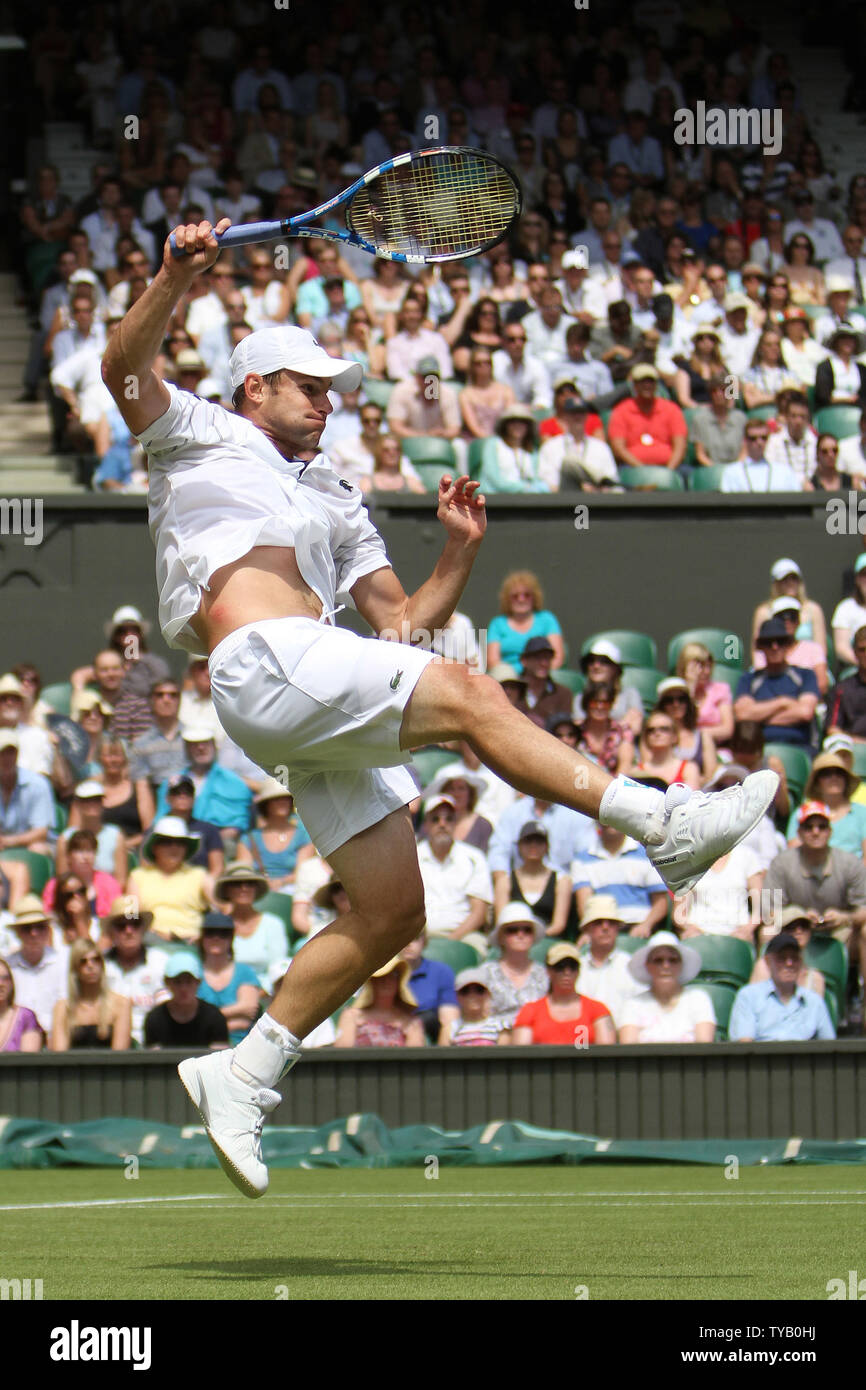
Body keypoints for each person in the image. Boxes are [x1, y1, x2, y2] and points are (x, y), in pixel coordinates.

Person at [102, 218, 775, 1196]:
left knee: (392, 908)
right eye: (307, 386)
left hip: (313, 676)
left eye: (334, 389)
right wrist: (169, 276)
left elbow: (402, 626)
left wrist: (458, 551)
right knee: (468, 697)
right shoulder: (196, 430)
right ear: (254, 388)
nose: (327, 402)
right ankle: (657, 818)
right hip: (259, 662)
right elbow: (125, 368)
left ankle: (242, 1073)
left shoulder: (334, 492)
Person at [415, 794, 493, 949]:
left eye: (449, 819)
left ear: (455, 823)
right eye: (435, 819)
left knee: (478, 947)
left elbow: (479, 913)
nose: (442, 824)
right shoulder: (412, 857)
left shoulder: (474, 858)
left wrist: (451, 941)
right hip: (419, 936)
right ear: (425, 825)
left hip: (464, 935)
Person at [728, 932, 835, 1041]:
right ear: (768, 961)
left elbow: (829, 1046)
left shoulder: (814, 1001)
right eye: (781, 958)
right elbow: (744, 1044)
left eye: (794, 958)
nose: (789, 963)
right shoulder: (749, 996)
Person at [734, 619, 819, 749]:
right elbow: (743, 715)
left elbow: (805, 712)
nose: (775, 647)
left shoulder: (806, 675)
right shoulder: (749, 679)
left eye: (780, 641)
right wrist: (783, 702)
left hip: (800, 747)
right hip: (759, 750)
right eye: (768, 643)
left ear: (788, 644)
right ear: (760, 646)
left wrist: (759, 718)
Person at [572, 821, 669, 936]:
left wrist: (646, 925)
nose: (610, 822)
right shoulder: (582, 860)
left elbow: (661, 903)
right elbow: (584, 905)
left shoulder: (648, 854)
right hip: (602, 930)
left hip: (640, 930)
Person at [618, 931, 717, 1043]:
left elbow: (704, 1046)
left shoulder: (698, 999)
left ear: (681, 965)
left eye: (673, 960)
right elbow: (628, 1051)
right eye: (658, 960)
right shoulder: (633, 1004)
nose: (666, 966)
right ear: (647, 966)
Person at [128, 815, 211, 945]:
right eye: (167, 842)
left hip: (190, 942)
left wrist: (205, 934)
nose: (174, 848)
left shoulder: (200, 875)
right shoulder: (137, 876)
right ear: (155, 847)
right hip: (151, 941)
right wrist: (153, 933)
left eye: (180, 843)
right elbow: (130, 915)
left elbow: (222, 906)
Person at [512, 941, 616, 1045]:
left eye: (572, 967)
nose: (567, 973)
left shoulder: (598, 1010)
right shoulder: (530, 1011)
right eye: (560, 967)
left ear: (578, 971)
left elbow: (607, 1052)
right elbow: (521, 1054)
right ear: (549, 971)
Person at [102, 895, 168, 1047]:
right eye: (121, 925)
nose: (129, 931)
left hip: (154, 1043)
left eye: (135, 924)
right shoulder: (100, 964)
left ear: (143, 929)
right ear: (111, 931)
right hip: (109, 1043)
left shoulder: (160, 961)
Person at [212, 862, 289, 988]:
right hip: (226, 990)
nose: (244, 888)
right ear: (226, 889)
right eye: (237, 884)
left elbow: (278, 966)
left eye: (250, 884)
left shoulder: (273, 923)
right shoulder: (217, 926)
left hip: (267, 992)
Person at [492, 819, 573, 938]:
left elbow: (558, 924)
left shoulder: (561, 880)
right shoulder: (505, 881)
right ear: (519, 846)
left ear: (546, 847)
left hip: (549, 940)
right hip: (514, 939)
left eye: (539, 841)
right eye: (528, 841)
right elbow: (501, 921)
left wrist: (534, 938)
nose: (533, 845)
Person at [574, 895, 644, 1027]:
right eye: (598, 922)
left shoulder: (632, 966)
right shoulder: (575, 967)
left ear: (618, 928)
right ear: (587, 929)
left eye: (611, 923)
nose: (605, 927)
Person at [50, 939, 131, 1050]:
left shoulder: (121, 1004)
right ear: (75, 969)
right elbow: (59, 1055)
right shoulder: (63, 1008)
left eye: (96, 960)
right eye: (83, 961)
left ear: (102, 964)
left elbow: (119, 1054)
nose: (90, 966)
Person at [478, 903, 550, 1028]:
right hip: (496, 1038)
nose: (520, 935)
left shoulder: (544, 974)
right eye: (512, 930)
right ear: (501, 937)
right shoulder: (485, 973)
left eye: (527, 930)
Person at [607, 364, 688, 475]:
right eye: (642, 382)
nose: (647, 385)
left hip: (669, 467)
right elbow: (618, 449)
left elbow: (680, 446)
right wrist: (642, 471)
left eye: (651, 382)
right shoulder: (621, 411)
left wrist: (669, 471)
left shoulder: (671, 409)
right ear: (634, 385)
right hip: (632, 468)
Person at [234, 778, 313, 891]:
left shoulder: (303, 836)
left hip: (294, 890)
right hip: (257, 890)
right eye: (276, 799)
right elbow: (243, 873)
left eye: (286, 798)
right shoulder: (248, 839)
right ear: (266, 804)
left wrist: (281, 882)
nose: (283, 802)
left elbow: (303, 872)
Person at [196, 910, 262, 1046]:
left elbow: (249, 1010)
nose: (216, 938)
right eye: (210, 933)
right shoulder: (193, 973)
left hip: (240, 1046)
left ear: (231, 938)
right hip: (200, 1047)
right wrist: (236, 1012)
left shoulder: (245, 972)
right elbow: (192, 1020)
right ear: (202, 937)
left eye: (223, 933)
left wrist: (206, 1022)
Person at [5, 895, 66, 1035]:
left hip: (54, 1038)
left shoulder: (61, 962)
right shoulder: (7, 967)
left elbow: (65, 1005)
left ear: (48, 930)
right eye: (27, 928)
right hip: (17, 1040)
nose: (34, 933)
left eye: (40, 927)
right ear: (17, 933)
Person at [335, 956, 426, 1047]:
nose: (386, 981)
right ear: (371, 982)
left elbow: (415, 1057)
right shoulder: (352, 1016)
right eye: (382, 976)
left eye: (393, 975)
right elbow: (342, 1054)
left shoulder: (411, 1022)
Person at [144, 952, 229, 1048]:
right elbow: (153, 1058)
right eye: (177, 982)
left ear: (198, 982)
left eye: (189, 982)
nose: (183, 988)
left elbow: (219, 1058)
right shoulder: (155, 1018)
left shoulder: (215, 1017)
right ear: (167, 983)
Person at [485, 569, 565, 670]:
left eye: (527, 595)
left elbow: (557, 657)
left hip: (541, 675)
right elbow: (492, 661)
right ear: (507, 599)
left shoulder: (547, 619)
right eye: (515, 596)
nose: (521, 599)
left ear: (534, 597)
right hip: (509, 681)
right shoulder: (497, 624)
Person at [787, 754, 866, 856]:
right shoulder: (801, 813)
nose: (834, 777)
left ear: (846, 779)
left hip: (853, 870)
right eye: (826, 774)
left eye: (839, 773)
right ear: (816, 782)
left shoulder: (862, 813)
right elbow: (794, 853)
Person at [751, 557, 827, 658]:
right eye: (784, 579)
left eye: (794, 578)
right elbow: (757, 651)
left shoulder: (813, 609)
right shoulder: (763, 612)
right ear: (776, 584)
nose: (790, 583)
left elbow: (821, 650)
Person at [399, 928, 458, 1046]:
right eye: (403, 937)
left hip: (430, 1034)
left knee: (429, 1017)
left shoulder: (441, 972)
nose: (408, 943)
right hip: (392, 1033)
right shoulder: (383, 974)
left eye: (414, 938)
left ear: (424, 942)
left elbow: (449, 1020)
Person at [0, 730, 55, 856]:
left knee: (37, 848)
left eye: (10, 753)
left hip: (32, 843)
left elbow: (41, 832)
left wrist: (8, 841)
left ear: (17, 754)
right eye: (2, 753)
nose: (6, 758)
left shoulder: (37, 784)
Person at [573, 641, 644, 737]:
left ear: (616, 668)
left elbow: (635, 727)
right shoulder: (580, 698)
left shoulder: (630, 694)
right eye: (591, 661)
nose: (596, 666)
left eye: (604, 661)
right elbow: (579, 729)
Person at [749, 906, 826, 996]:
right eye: (791, 927)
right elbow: (753, 1004)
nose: (798, 931)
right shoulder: (764, 968)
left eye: (804, 926)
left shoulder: (816, 979)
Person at [654, 678, 718, 781]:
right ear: (662, 705)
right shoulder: (653, 733)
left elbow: (711, 776)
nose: (676, 704)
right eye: (669, 700)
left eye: (681, 699)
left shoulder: (703, 736)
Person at [419, 767, 493, 853]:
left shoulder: (483, 826)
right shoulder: (431, 821)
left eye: (461, 788)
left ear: (471, 793)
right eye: (451, 789)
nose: (456, 794)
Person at [676, 643, 734, 748]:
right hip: (684, 747)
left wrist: (699, 734)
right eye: (701, 666)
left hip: (718, 747)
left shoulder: (720, 689)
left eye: (709, 666)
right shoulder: (675, 691)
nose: (707, 671)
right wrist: (690, 688)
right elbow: (678, 726)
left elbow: (727, 729)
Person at [719, 420, 801, 493]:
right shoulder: (732, 472)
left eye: (763, 438)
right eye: (753, 438)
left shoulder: (784, 471)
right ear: (745, 440)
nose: (759, 442)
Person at [575, 680, 635, 775]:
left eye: (605, 703)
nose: (600, 707)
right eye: (594, 702)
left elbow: (625, 765)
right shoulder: (575, 731)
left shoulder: (623, 732)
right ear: (586, 704)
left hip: (612, 784)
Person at [633, 710, 702, 789]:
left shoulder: (688, 768)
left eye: (664, 729)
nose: (657, 733)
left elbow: (691, 798)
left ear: (675, 736)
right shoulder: (637, 771)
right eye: (651, 730)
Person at [443, 968, 510, 1045]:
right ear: (457, 996)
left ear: (488, 994)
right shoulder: (449, 1029)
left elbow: (504, 1055)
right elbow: (442, 1056)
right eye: (465, 991)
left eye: (479, 990)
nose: (472, 995)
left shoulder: (500, 1027)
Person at [826, 624, 866, 740]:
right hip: (852, 750)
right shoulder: (841, 689)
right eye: (862, 650)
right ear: (855, 653)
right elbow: (832, 729)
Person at [0, 955, 42, 1052]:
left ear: (11, 983)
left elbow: (28, 1060)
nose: (1, 983)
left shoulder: (25, 1017)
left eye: (5, 978)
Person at [832, 556, 866, 669]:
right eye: (864, 574)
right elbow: (841, 649)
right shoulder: (845, 608)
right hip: (855, 672)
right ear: (857, 579)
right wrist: (862, 663)